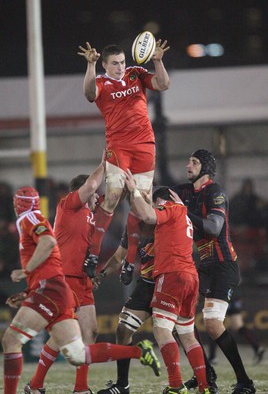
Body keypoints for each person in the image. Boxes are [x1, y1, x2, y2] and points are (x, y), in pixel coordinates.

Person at [2, 186, 161, 394]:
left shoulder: (33, 218)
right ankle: (136, 352)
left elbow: (48, 245)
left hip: (63, 285)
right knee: (77, 351)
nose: (97, 198)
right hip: (64, 283)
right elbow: (51, 256)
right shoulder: (71, 208)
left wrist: (26, 271)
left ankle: (42, 387)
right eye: (94, 195)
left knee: (15, 340)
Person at [77, 39, 170, 280]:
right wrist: (90, 65)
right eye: (115, 64)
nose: (120, 67)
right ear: (105, 66)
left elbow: (163, 84)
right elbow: (88, 94)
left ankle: (129, 261)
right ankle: (93, 253)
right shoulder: (100, 83)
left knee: (142, 201)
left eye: (122, 62)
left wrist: (158, 61)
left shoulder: (136, 74)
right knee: (113, 197)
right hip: (119, 146)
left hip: (145, 146)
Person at [173, 149, 256, 394]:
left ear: (206, 168)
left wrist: (182, 212)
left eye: (194, 162)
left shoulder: (215, 192)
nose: (188, 165)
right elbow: (161, 193)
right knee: (180, 320)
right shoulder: (186, 191)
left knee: (211, 323)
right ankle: (206, 374)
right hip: (204, 267)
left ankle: (245, 382)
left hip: (223, 266)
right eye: (188, 160)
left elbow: (213, 226)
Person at [123, 172, 212, 394]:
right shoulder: (184, 214)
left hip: (172, 275)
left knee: (162, 330)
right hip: (190, 277)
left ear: (161, 202)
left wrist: (134, 189)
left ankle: (175, 386)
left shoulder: (169, 209)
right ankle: (204, 387)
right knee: (188, 335)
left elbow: (149, 215)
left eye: (156, 204)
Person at [24, 157, 105, 394]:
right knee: (64, 335)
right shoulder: (68, 205)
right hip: (65, 278)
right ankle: (37, 384)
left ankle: (77, 388)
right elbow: (91, 186)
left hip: (82, 280)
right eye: (94, 193)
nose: (97, 196)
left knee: (89, 332)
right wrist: (105, 163)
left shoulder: (91, 217)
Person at [94, 221, 156, 394]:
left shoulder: (163, 219)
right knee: (123, 329)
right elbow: (118, 256)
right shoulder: (132, 226)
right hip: (146, 285)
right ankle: (123, 385)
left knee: (179, 333)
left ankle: (204, 377)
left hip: (167, 283)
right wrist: (101, 274)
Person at [207, 293, 265, 365]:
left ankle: (212, 357)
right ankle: (257, 347)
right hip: (231, 295)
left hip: (222, 296)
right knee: (237, 326)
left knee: (213, 326)